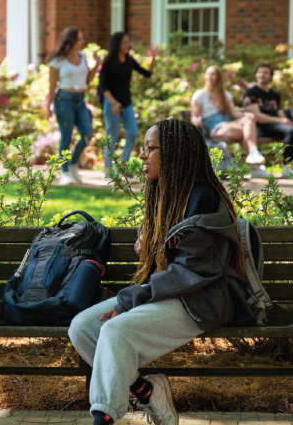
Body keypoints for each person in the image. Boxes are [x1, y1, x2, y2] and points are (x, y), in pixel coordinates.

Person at [68, 119, 256, 425]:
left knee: (116, 331)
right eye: (143, 148)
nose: (143, 156)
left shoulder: (204, 199)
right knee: (83, 327)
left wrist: (133, 299)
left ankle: (102, 419)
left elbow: (193, 270)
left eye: (151, 148)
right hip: (174, 293)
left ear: (174, 153)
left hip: (203, 301)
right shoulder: (168, 193)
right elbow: (170, 255)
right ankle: (146, 389)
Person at [46, 27, 101, 185]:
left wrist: (97, 65)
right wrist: (48, 107)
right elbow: (51, 85)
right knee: (67, 136)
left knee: (87, 134)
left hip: (80, 100)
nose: (83, 42)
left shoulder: (82, 56)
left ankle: (72, 163)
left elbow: (87, 80)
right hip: (64, 100)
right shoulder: (57, 60)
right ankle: (64, 173)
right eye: (80, 39)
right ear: (71, 41)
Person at [98, 32, 158, 172]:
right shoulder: (109, 62)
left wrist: (153, 57)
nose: (128, 45)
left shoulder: (129, 60)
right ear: (117, 44)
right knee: (111, 137)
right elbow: (104, 87)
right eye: (125, 42)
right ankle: (108, 170)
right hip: (111, 103)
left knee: (132, 132)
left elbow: (147, 73)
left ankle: (122, 167)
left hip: (126, 103)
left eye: (128, 42)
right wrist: (114, 103)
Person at [190, 66, 266, 167]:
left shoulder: (226, 95)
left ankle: (253, 155)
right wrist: (196, 121)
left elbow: (234, 113)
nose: (209, 76)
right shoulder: (199, 95)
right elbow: (194, 116)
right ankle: (254, 162)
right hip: (212, 127)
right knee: (248, 131)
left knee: (249, 121)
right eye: (207, 74)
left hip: (225, 123)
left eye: (213, 74)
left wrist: (246, 114)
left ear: (218, 77)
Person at [243, 63, 293, 178]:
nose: (262, 75)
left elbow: (280, 113)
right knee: (291, 131)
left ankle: (287, 166)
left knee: (291, 130)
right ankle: (286, 167)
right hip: (259, 128)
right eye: (259, 72)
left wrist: (285, 120)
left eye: (265, 73)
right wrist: (280, 121)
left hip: (275, 127)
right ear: (256, 75)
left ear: (271, 76)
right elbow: (257, 116)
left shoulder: (274, 94)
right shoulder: (251, 93)